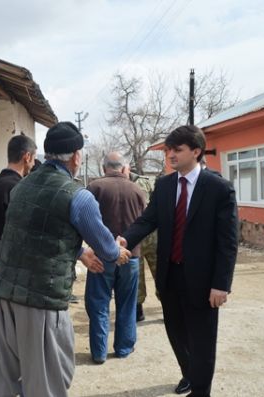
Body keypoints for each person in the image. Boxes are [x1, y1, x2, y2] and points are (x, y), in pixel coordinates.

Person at [0, 122, 131, 397]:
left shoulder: (21, 188)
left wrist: (80, 252)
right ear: (76, 156)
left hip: (1, 294)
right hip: (40, 300)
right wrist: (117, 250)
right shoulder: (78, 197)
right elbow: (107, 250)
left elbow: (41, 232)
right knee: (46, 383)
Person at [121, 125, 238, 397]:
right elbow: (147, 220)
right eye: (169, 150)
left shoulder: (218, 189)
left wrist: (221, 284)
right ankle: (189, 374)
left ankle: (200, 391)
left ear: (196, 152)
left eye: (177, 150)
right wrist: (125, 239)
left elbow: (228, 242)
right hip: (170, 275)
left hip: (203, 280)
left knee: (202, 339)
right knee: (176, 333)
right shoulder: (164, 185)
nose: (171, 155)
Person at [85, 152, 145, 364]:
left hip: (101, 256)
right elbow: (144, 223)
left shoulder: (94, 188)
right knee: (127, 304)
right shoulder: (137, 189)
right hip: (131, 256)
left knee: (99, 304)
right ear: (123, 168)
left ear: (104, 168)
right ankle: (124, 348)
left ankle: (99, 352)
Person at [0, 135, 37, 296]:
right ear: (27, 156)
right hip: (12, 268)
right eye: (33, 159)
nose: (32, 164)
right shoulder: (20, 188)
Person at [129, 171, 158, 322]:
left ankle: (168, 306)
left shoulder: (145, 182)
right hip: (136, 237)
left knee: (160, 273)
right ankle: (138, 310)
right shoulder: (121, 184)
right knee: (137, 276)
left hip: (151, 237)